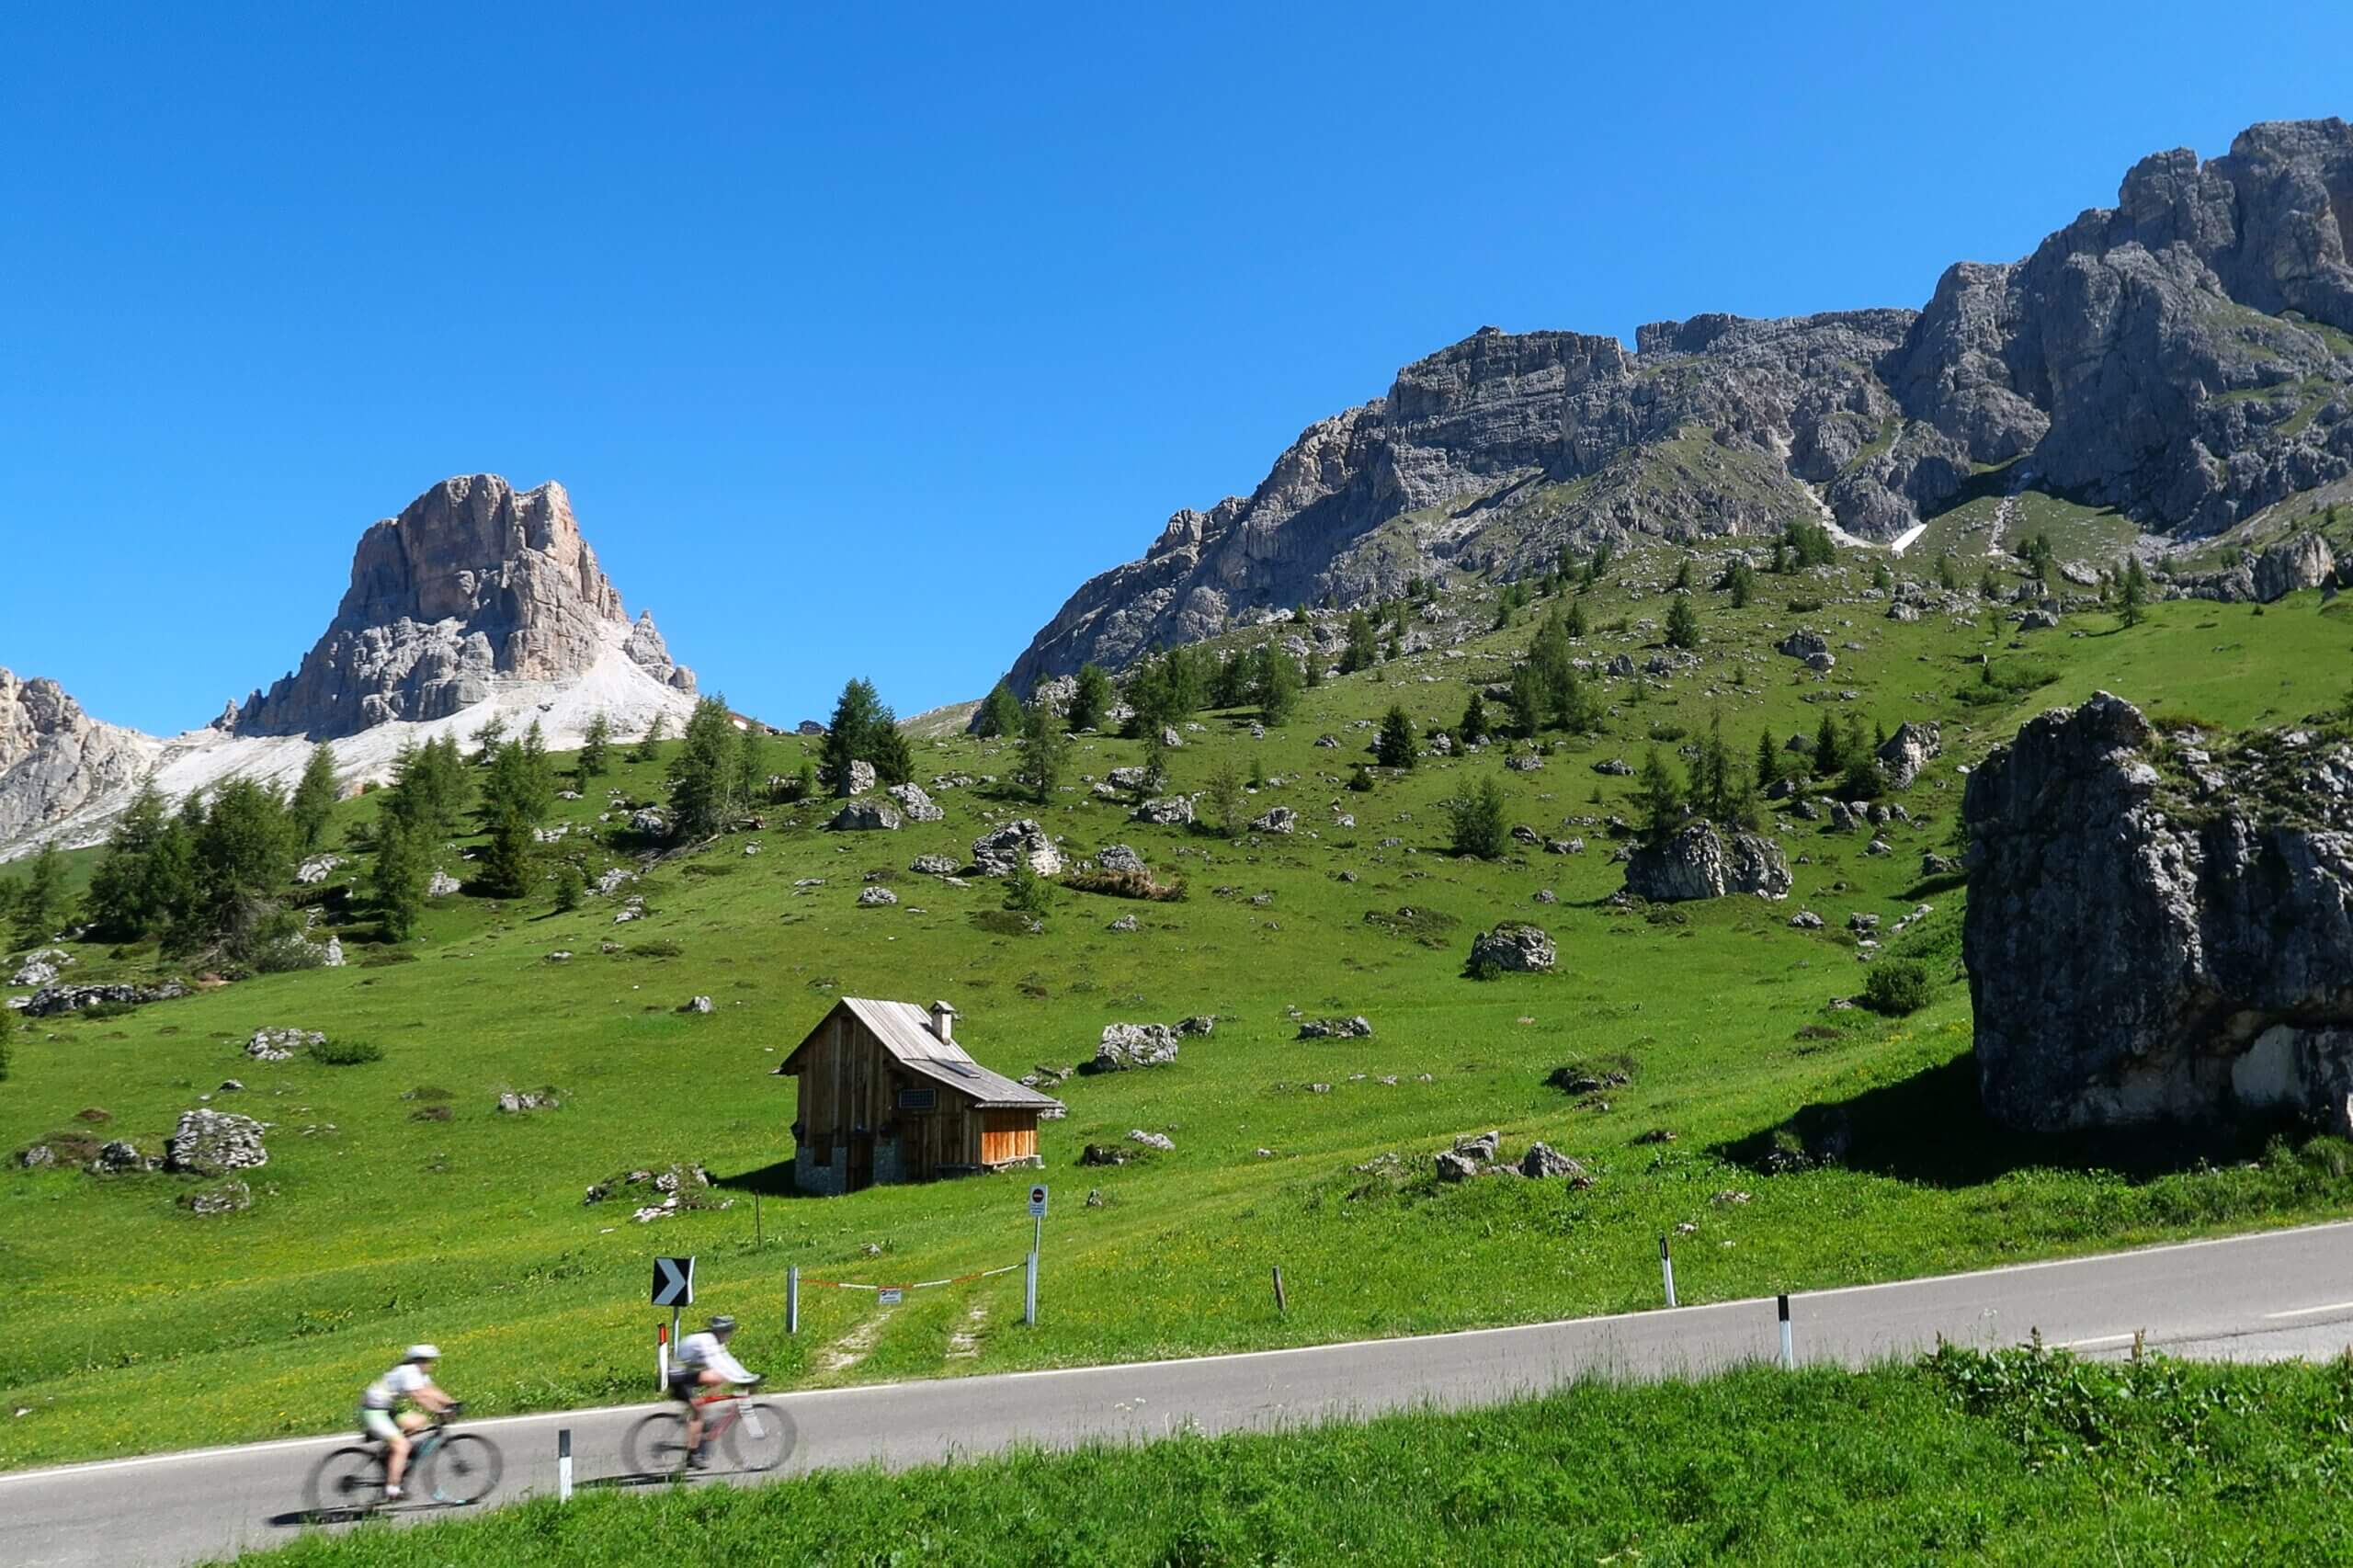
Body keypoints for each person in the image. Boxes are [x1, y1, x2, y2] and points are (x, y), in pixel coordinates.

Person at [360, 1345, 453, 1500]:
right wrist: (439, 1410)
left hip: (387, 1409)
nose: (430, 1364)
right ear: (419, 1361)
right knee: (402, 1446)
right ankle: (392, 1489)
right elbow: (418, 1394)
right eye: (428, 1361)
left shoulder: (419, 1373)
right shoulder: (408, 1371)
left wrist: (452, 1403)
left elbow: (430, 1390)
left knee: (420, 1421)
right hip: (374, 1411)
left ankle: (389, 1453)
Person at [667, 1314, 759, 1467]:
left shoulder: (715, 1341)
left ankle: (701, 1412)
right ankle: (692, 1455)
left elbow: (728, 1361)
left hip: (686, 1373)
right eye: (728, 1331)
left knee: (717, 1379)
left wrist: (747, 1376)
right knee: (698, 1411)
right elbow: (717, 1364)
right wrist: (744, 1380)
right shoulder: (706, 1341)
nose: (729, 1335)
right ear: (721, 1331)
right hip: (676, 1375)